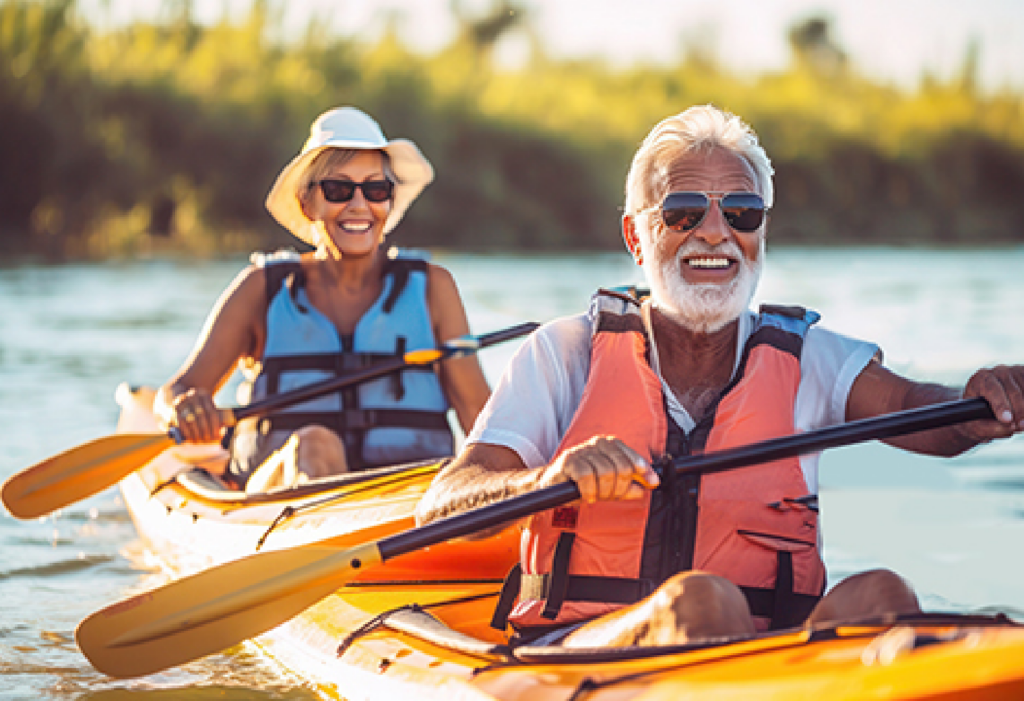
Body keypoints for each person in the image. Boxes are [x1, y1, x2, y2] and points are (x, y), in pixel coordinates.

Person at [415, 104, 1024, 648]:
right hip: (584, 645)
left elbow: (925, 413)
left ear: (760, 233)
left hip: (765, 656)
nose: (715, 232)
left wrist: (983, 403)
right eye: (683, 212)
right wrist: (547, 478)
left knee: (883, 595)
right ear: (636, 235)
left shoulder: (808, 356)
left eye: (741, 211)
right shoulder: (564, 353)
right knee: (702, 601)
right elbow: (441, 506)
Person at [155, 107, 491, 492]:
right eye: (338, 189)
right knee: (316, 443)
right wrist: (182, 408)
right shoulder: (261, 289)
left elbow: (480, 415)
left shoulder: (434, 288)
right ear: (307, 202)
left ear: (389, 201)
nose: (359, 205)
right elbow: (177, 390)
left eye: (375, 190)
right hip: (277, 503)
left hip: (407, 501)